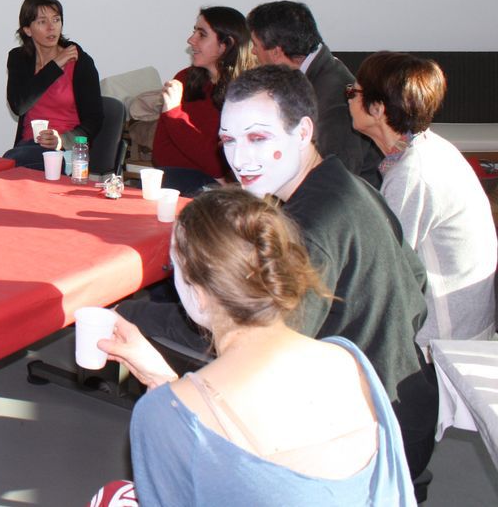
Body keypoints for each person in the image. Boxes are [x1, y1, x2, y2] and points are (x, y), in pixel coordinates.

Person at [117, 66, 437, 485]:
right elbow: (417, 282)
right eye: (228, 140)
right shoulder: (351, 186)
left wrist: (127, 317)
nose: (239, 159)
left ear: (303, 132)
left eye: (258, 138)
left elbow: (260, 354)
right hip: (408, 399)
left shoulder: (308, 230)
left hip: (369, 436)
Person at [104, 189, 415, 506]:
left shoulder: (159, 416)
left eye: (175, 269)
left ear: (198, 293)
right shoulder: (348, 359)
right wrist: (168, 385)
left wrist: (169, 403)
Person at [349, 51, 496, 346]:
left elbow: (383, 269)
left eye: (354, 92)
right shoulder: (430, 148)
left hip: (443, 341)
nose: (349, 99)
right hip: (466, 325)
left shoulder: (412, 174)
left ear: (377, 108)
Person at [246, 0, 382, 186]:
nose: (253, 51)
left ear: (276, 52)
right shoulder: (318, 72)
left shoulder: (333, 99)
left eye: (255, 44)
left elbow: (336, 180)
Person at [151, 6, 254, 196]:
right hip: (178, 181)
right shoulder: (184, 79)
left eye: (202, 34)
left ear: (226, 44)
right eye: (194, 32)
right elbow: (161, 154)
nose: (191, 40)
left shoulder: (247, 92)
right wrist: (214, 171)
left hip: (216, 190)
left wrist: (174, 114)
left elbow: (223, 163)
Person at [3, 0, 102, 170]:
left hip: (67, 151)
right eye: (42, 22)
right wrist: (54, 66)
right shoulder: (19, 59)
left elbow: (94, 119)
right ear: (27, 30)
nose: (51, 27)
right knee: (13, 162)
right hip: (28, 147)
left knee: (10, 163)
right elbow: (19, 105)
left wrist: (61, 140)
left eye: (56, 20)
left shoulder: (80, 61)